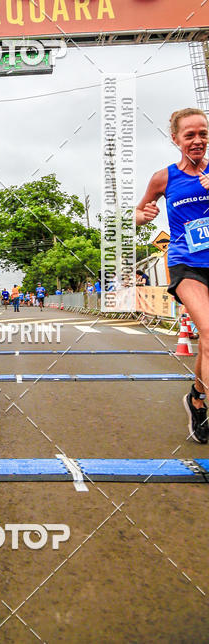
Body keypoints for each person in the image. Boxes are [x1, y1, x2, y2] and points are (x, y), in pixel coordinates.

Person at [137, 107, 209, 444]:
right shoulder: (163, 178)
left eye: (203, 133)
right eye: (190, 135)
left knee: (207, 342)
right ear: (176, 139)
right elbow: (139, 212)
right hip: (187, 264)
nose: (197, 140)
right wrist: (144, 215)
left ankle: (197, 398)